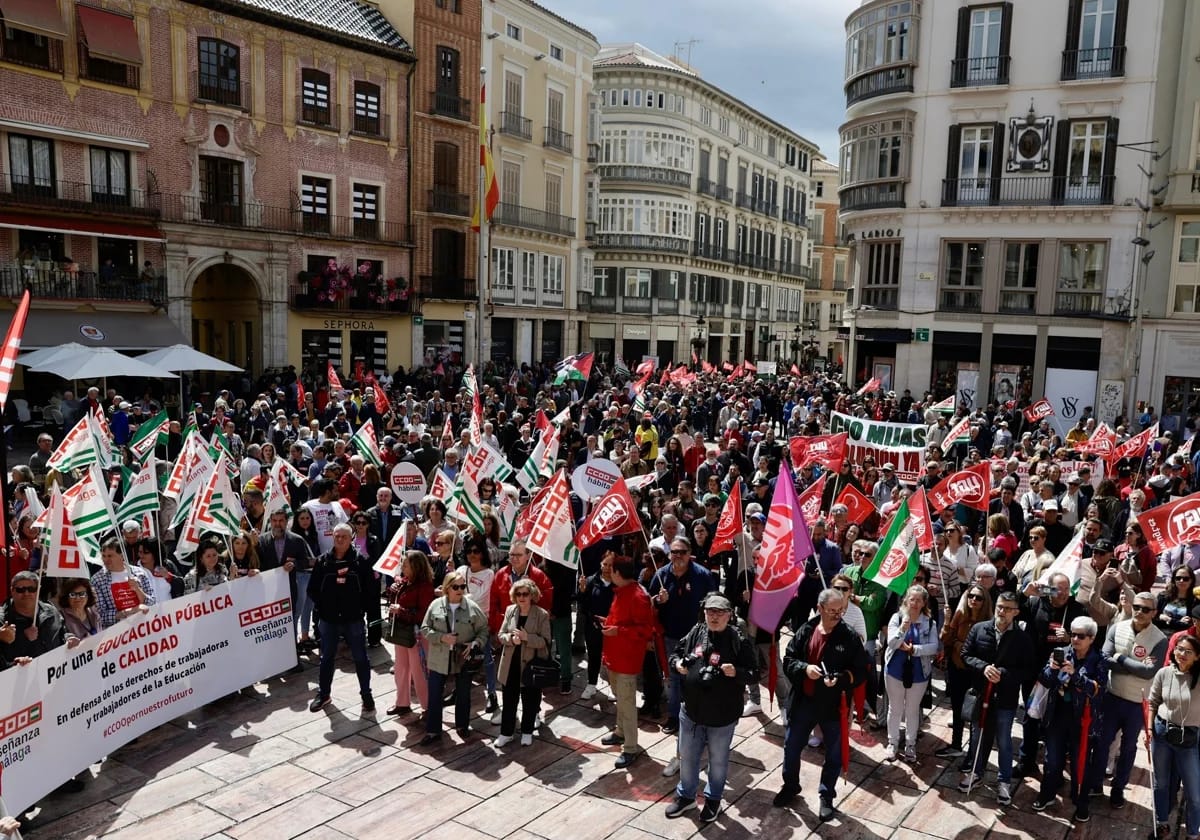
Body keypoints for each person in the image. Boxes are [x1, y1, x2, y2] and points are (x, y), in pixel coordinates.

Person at [775, 587, 868, 822]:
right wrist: (804, 669)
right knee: (791, 747)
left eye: (841, 610)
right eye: (833, 611)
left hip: (833, 705)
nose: (838, 615)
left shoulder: (848, 637)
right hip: (803, 702)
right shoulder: (806, 629)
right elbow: (788, 660)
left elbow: (860, 671)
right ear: (820, 608)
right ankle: (790, 786)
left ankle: (827, 795)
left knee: (834, 753)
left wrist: (841, 678)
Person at [664, 593, 758, 823]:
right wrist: (678, 665)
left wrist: (737, 673)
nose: (714, 617)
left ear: (729, 615)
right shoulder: (696, 632)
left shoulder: (738, 640)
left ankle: (713, 799)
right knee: (687, 756)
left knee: (717, 760)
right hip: (691, 712)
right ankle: (686, 796)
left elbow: (755, 672)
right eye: (710, 612)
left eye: (719, 613)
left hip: (722, 715)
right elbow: (675, 654)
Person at [959, 590, 1034, 806]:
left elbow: (1029, 670)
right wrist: (983, 668)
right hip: (980, 692)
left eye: (1008, 608)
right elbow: (966, 655)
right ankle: (976, 772)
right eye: (1000, 606)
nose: (1002, 611)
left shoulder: (1022, 638)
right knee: (977, 735)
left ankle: (1004, 782)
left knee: (1003, 739)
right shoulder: (979, 628)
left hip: (1006, 697)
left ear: (1016, 612)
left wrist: (1004, 674)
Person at [1032, 616, 1107, 822]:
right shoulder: (1061, 653)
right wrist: (1051, 669)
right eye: (1072, 634)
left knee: (1080, 764)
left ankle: (1081, 802)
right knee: (1052, 760)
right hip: (1057, 715)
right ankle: (1046, 794)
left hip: (1082, 720)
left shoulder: (1099, 660)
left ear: (1091, 638)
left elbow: (1097, 691)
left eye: (1080, 636)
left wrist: (1075, 676)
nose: (1074, 639)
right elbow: (1045, 680)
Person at [1097, 592, 1167, 808]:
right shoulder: (1118, 627)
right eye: (1137, 607)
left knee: (1128, 748)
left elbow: (1149, 672)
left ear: (1154, 613)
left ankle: (1118, 789)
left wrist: (1120, 658)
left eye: (1146, 609)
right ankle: (1095, 784)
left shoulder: (1160, 639)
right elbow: (1105, 658)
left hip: (1137, 703)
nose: (1139, 612)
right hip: (1112, 696)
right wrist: (1133, 665)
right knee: (1101, 743)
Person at [648, 537, 715, 736]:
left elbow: (714, 602)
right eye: (674, 552)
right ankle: (674, 716)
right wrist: (658, 600)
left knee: (698, 677)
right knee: (674, 679)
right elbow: (649, 603)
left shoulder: (702, 575)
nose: (678, 556)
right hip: (670, 636)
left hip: (698, 638)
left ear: (689, 553)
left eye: (682, 552)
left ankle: (699, 716)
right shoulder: (661, 575)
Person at [307, 523, 375, 714]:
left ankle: (366, 694)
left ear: (351, 538)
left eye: (343, 536)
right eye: (336, 536)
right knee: (326, 658)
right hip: (328, 620)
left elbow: (370, 591)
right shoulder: (323, 562)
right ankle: (324, 694)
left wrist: (363, 611)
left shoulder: (361, 562)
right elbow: (312, 589)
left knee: (361, 658)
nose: (339, 540)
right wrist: (324, 606)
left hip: (353, 619)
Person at [600, 555, 657, 769]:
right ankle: (620, 732)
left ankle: (631, 748)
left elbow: (644, 630)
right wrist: (607, 623)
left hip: (627, 659)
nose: (607, 571)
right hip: (615, 655)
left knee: (627, 701)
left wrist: (618, 630)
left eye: (610, 569)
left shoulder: (638, 596)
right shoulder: (622, 592)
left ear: (617, 573)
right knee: (620, 698)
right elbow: (622, 620)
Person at [420, 568, 488, 745]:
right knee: (435, 694)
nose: (460, 590)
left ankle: (462, 726)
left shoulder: (472, 607)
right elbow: (425, 628)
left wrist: (475, 644)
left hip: (462, 657)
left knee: (463, 693)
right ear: (447, 588)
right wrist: (442, 637)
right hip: (439, 657)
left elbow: (483, 630)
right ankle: (433, 730)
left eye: (462, 586)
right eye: (456, 586)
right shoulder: (435, 605)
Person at [1148, 634, 1200, 840]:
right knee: (1161, 784)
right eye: (1179, 649)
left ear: (1197, 656)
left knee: (1194, 793)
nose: (1182, 654)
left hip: (1189, 740)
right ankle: (1162, 824)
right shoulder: (1164, 673)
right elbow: (1153, 702)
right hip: (1162, 734)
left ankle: (1193, 833)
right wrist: (1150, 729)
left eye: (1188, 651)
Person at [883, 585, 940, 763]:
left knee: (912, 710)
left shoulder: (930, 622)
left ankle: (910, 744)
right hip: (895, 670)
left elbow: (934, 647)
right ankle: (892, 742)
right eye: (912, 599)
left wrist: (914, 649)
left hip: (918, 672)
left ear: (924, 603)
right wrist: (902, 629)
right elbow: (891, 643)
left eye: (919, 600)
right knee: (895, 708)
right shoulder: (897, 617)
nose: (914, 603)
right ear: (906, 600)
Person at [937, 583, 992, 759]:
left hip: (976, 672)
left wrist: (960, 645)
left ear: (985, 602)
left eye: (978, 597)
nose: (973, 600)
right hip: (956, 667)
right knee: (957, 707)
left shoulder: (988, 623)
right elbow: (945, 639)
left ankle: (973, 753)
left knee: (975, 713)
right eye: (971, 596)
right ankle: (956, 744)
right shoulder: (960, 615)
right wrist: (946, 621)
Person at [494, 578, 551, 747]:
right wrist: (511, 639)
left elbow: (546, 641)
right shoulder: (510, 610)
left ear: (532, 595)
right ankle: (506, 733)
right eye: (518, 594)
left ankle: (527, 731)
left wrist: (528, 638)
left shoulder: (541, 614)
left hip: (531, 665)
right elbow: (501, 634)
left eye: (525, 594)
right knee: (509, 699)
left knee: (530, 699)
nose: (521, 597)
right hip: (510, 663)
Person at [384, 551, 435, 717]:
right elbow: (397, 600)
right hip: (402, 633)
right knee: (401, 668)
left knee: (419, 671)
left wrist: (402, 611)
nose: (402, 567)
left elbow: (423, 615)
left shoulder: (425, 586)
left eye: (405, 564)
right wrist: (392, 592)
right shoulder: (405, 582)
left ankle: (428, 707)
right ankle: (402, 703)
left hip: (417, 635)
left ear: (415, 567)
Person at [0, 571, 77, 669]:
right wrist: (22, 639)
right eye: (20, 590)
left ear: (38, 590)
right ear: (12, 590)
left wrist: (68, 638)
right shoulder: (2, 619)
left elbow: (63, 632)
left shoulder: (51, 611)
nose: (26, 593)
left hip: (54, 675)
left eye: (31, 589)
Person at [91, 539, 156, 628]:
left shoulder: (139, 573)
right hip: (119, 634)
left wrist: (137, 589)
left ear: (122, 555)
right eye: (103, 556)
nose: (106, 560)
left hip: (144, 627)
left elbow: (152, 602)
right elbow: (101, 616)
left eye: (110, 556)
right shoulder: (97, 580)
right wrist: (130, 611)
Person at [578, 551, 616, 700]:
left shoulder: (619, 582)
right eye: (604, 564)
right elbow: (582, 606)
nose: (607, 568)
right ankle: (591, 685)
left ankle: (614, 688)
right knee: (593, 656)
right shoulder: (590, 581)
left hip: (612, 628)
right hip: (593, 627)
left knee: (612, 658)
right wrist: (581, 591)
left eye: (610, 565)